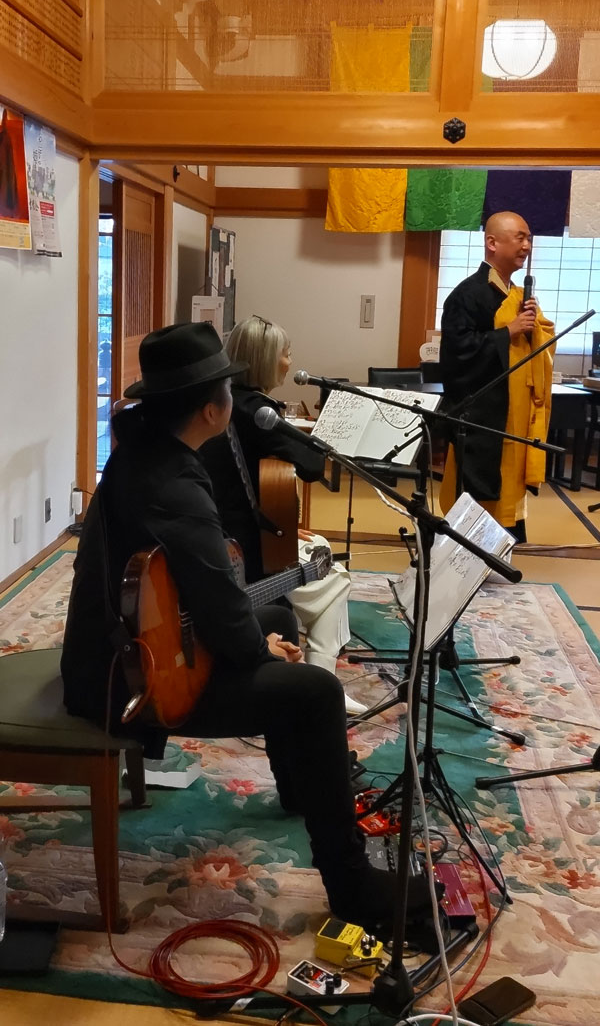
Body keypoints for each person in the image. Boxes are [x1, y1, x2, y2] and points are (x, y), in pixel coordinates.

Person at [61, 322, 434, 937]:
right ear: (213, 408)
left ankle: (301, 786)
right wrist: (256, 651)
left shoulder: (143, 452)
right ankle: (352, 887)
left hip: (122, 645)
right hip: (127, 681)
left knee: (280, 616)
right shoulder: (176, 484)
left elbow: (208, 594)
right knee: (313, 692)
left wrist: (257, 640)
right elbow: (221, 608)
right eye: (230, 391)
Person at [201, 315, 364, 715]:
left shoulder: (224, 401)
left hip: (237, 528)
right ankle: (322, 677)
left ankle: (315, 667)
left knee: (321, 547)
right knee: (336, 577)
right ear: (264, 360)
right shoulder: (258, 412)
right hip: (249, 546)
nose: (290, 362)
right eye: (286, 354)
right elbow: (310, 466)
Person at [439, 212, 555, 542]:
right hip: (483, 419)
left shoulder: (516, 294)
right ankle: (465, 562)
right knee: (479, 493)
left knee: (508, 490)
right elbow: (456, 355)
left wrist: (533, 331)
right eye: (520, 237)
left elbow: (535, 343)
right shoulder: (468, 294)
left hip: (513, 415)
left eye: (529, 238)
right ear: (492, 243)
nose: (527, 245)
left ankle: (497, 558)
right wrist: (508, 333)